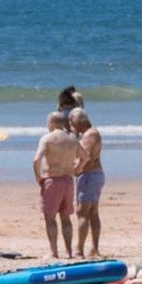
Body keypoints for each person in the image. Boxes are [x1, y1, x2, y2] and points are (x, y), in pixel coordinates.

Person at [33, 111, 80, 259]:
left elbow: (36, 160)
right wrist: (75, 169)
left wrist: (39, 177)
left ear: (51, 123)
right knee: (66, 217)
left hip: (52, 179)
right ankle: (69, 252)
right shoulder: (72, 138)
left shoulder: (47, 138)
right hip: (68, 180)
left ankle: (54, 251)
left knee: (50, 217)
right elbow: (84, 157)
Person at [69, 107, 104, 258]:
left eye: (72, 122)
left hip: (89, 175)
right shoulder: (90, 133)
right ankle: (94, 248)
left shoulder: (90, 135)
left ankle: (79, 250)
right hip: (94, 175)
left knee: (82, 212)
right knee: (92, 212)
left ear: (78, 121)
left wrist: (74, 170)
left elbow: (86, 158)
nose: (71, 126)